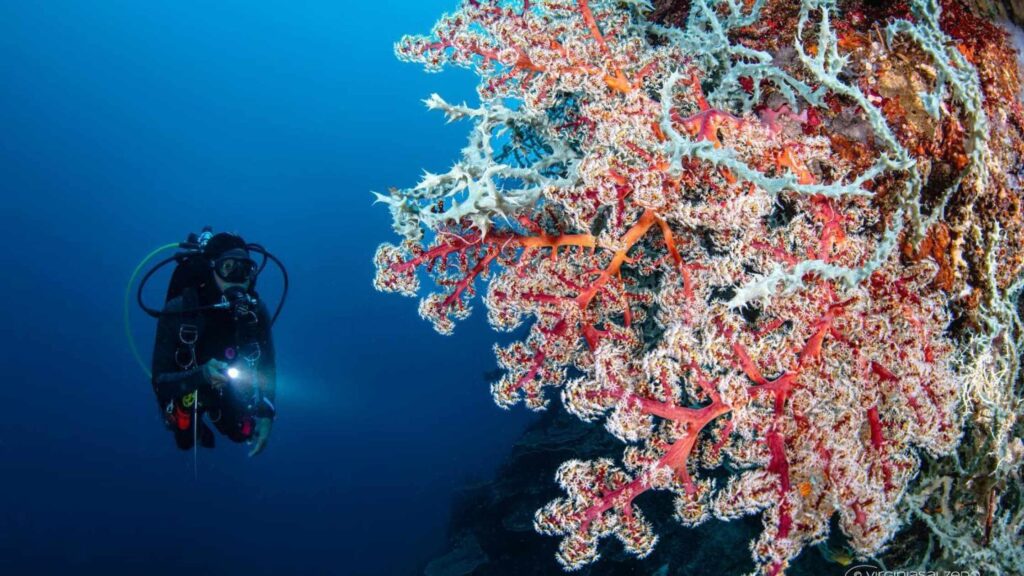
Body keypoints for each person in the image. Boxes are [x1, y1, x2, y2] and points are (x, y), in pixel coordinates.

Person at [150, 232, 276, 456]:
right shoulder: (179, 311)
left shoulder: (256, 313)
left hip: (230, 387)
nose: (237, 277)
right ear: (212, 268)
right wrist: (201, 375)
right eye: (228, 267)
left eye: (245, 269)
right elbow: (160, 382)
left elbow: (267, 365)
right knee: (185, 438)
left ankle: (219, 415)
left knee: (241, 433)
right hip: (188, 384)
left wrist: (267, 413)